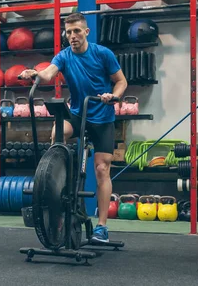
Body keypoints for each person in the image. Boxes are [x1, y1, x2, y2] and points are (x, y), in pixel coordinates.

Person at [19, 13, 128, 244]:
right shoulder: (64, 56)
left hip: (101, 115)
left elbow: (121, 81)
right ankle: (58, 179)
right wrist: (36, 73)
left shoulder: (102, 54)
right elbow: (49, 73)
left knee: (101, 168)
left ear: (86, 32)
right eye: (68, 32)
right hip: (78, 113)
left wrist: (114, 96)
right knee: (58, 133)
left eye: (77, 31)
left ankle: (101, 227)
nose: (72, 36)